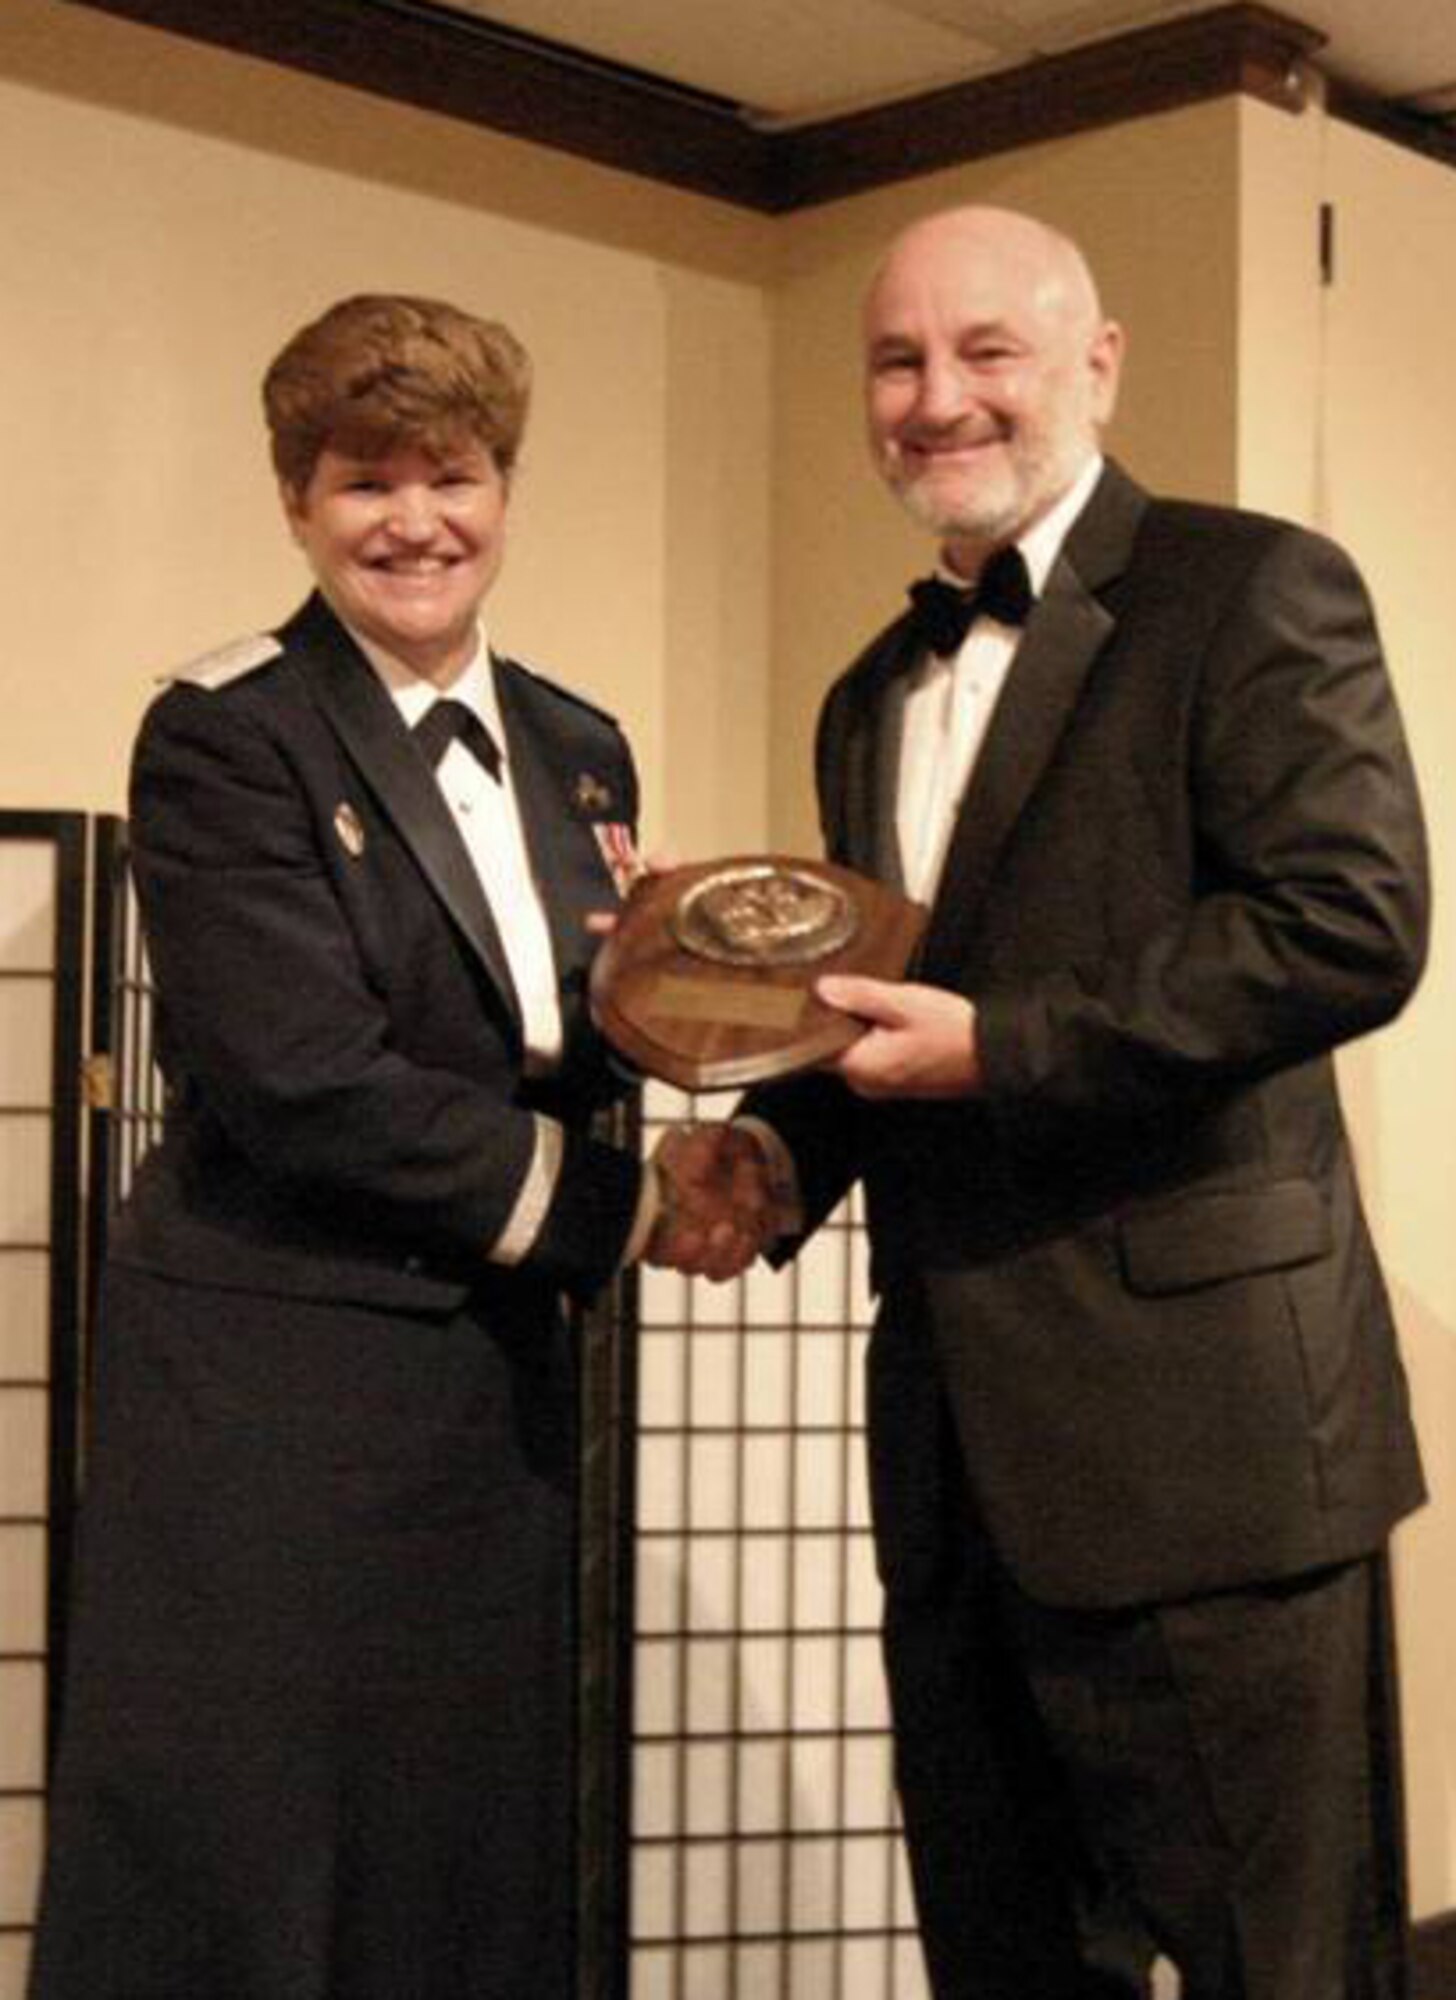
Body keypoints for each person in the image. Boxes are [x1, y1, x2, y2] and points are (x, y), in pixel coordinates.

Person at [718, 207, 1430, 1997]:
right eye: (897, 361)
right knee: (1008, 1959)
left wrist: (1004, 1045)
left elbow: (1352, 923)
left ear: (1098, 364)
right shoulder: (866, 695)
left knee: (1274, 1967)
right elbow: (892, 1013)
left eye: (987, 351)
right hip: (956, 1457)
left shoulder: (1256, 583)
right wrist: (775, 1160)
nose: (936, 397)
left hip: (1214, 1455)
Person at [29, 293, 756, 2000]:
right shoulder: (227, 731)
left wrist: (709, 993)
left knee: (466, 1844)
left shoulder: (582, 749)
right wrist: (628, 1205)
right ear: (297, 501)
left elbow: (564, 1035)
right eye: (365, 480)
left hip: (495, 1389)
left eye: (454, 474)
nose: (414, 520)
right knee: (249, 1855)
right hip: (271, 1401)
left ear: (506, 489)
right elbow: (301, 1078)